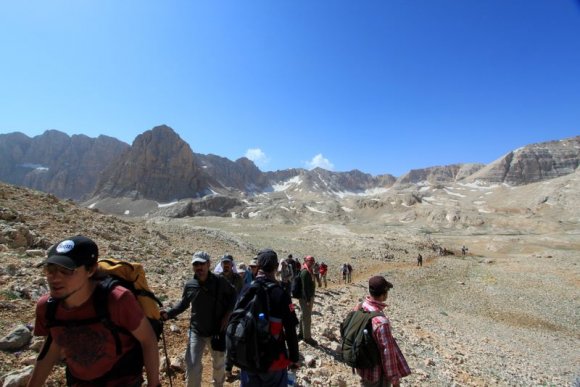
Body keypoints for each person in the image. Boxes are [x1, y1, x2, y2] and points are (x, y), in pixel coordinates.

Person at [27, 235, 160, 387]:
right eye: (50, 269)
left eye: (66, 271)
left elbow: (147, 339)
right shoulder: (47, 307)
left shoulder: (118, 300)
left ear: (91, 270)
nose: (55, 278)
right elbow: (52, 346)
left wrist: (154, 383)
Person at [161, 251, 237, 387]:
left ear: (208, 264)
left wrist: (227, 316)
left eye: (202, 263)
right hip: (196, 331)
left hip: (217, 331)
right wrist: (168, 314)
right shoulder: (190, 285)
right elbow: (183, 304)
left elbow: (233, 295)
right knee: (192, 366)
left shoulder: (220, 281)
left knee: (219, 366)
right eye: (196, 264)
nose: (199, 267)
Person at [238, 249, 300, 387]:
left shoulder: (246, 289)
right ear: (276, 266)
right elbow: (290, 329)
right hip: (274, 361)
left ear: (258, 265)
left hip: (248, 359)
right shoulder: (281, 294)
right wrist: (294, 358)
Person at [353, 276, 411, 387]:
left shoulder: (360, 307)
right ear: (384, 294)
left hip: (362, 367)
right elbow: (387, 354)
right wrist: (395, 380)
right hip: (377, 375)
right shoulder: (381, 322)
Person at [218, 254, 244, 380]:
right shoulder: (217, 278)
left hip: (234, 314)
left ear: (232, 264)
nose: (226, 265)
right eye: (224, 263)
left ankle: (228, 368)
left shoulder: (238, 279)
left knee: (231, 342)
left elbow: (242, 295)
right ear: (221, 264)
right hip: (219, 315)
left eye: (228, 263)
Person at [298, 255, 317, 346]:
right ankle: (307, 337)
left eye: (313, 262)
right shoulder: (305, 272)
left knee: (303, 315)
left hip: (305, 297)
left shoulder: (308, 270)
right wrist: (308, 300)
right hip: (306, 298)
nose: (312, 263)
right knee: (307, 317)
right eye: (311, 261)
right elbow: (305, 288)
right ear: (306, 261)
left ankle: (301, 333)